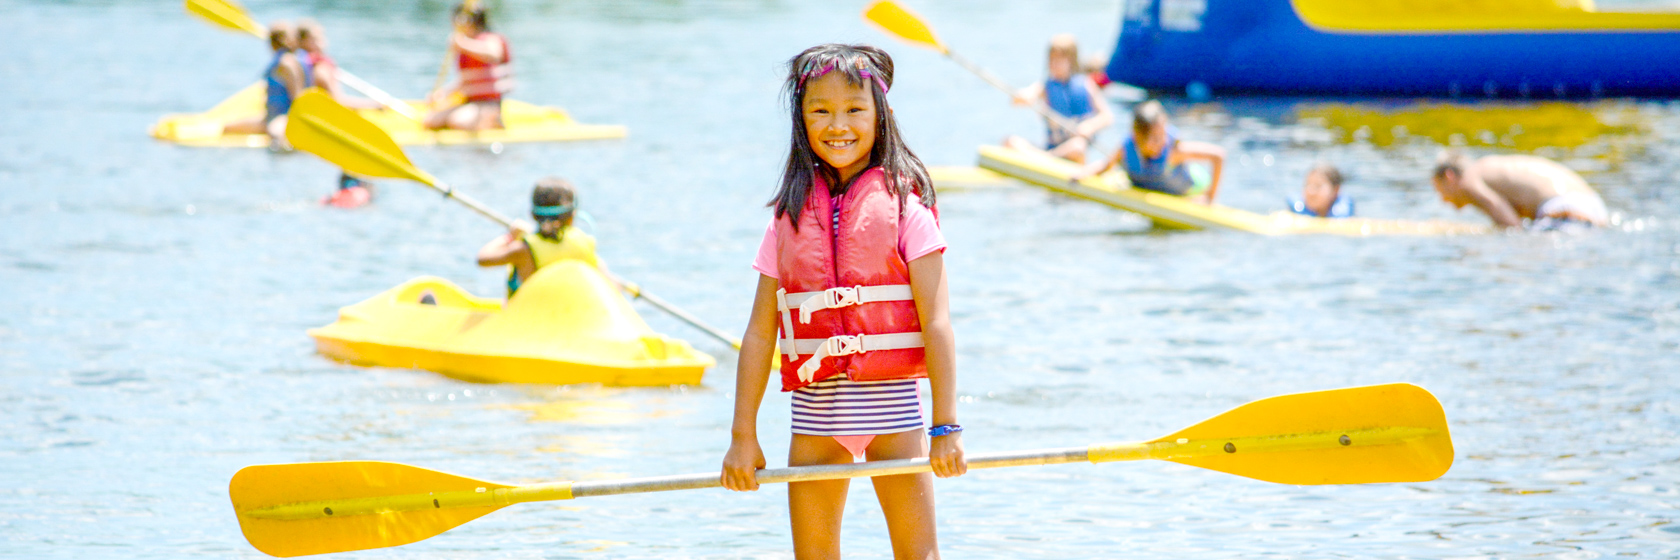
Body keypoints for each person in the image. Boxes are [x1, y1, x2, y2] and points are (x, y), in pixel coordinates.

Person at [720, 44, 966, 559]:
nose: (838, 124)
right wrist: (744, 436)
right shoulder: (787, 218)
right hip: (815, 423)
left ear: (882, 116)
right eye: (820, 111)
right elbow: (760, 334)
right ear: (800, 120)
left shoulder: (907, 209)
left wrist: (945, 427)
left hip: (894, 419)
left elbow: (938, 323)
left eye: (855, 109)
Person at [1072, 99, 1225, 204]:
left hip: (1194, 183)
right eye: (1156, 138)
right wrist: (1083, 174)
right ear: (1138, 137)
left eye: (1163, 135)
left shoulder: (1174, 152)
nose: (1163, 142)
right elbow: (1106, 165)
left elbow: (1218, 156)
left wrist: (1208, 198)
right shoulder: (1126, 148)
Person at [476, 177, 599, 296]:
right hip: (574, 315)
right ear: (571, 217)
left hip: (531, 316)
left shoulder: (523, 250)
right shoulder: (586, 242)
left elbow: (483, 258)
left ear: (533, 215)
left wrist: (510, 237)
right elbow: (611, 282)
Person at [1002, 34, 1114, 164]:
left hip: (1071, 151)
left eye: (1059, 60)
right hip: (1050, 149)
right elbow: (1023, 96)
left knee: (1078, 146)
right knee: (1010, 142)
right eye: (1051, 60)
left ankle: (1044, 158)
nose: (1054, 64)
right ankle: (1044, 158)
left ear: (1071, 61)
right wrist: (1023, 96)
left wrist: (1089, 126)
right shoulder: (1045, 86)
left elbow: (1107, 117)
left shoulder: (1087, 85)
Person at [1431, 151, 1608, 230]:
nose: (1444, 201)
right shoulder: (1489, 166)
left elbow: (1511, 226)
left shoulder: (1468, 180)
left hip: (1563, 208)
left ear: (1449, 177)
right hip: (1594, 207)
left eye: (1440, 192)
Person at [425, 3, 512, 131]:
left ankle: (493, 120)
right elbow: (467, 80)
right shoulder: (466, 44)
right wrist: (442, 93)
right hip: (470, 101)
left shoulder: (491, 39)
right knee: (430, 121)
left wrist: (463, 44)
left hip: (488, 103)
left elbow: (494, 53)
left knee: (458, 122)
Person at [223, 21, 308, 150]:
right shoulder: (283, 61)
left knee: (276, 135)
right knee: (227, 128)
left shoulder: (287, 63)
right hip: (268, 118)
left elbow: (297, 97)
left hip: (285, 116)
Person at [296, 19, 379, 110]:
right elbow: (338, 101)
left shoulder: (302, 63)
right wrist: (374, 105)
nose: (323, 42)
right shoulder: (320, 69)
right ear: (303, 42)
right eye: (316, 39)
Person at [1288, 163, 1354, 218]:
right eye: (1307, 185)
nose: (1310, 192)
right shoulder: (1296, 211)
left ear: (1335, 190)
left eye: (1318, 186)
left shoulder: (1342, 214)